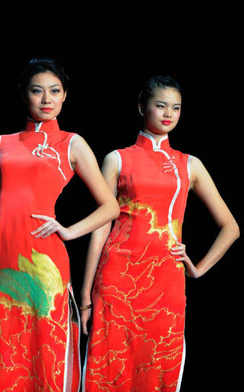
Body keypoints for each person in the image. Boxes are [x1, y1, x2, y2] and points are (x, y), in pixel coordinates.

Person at [0, 57, 119, 392]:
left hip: (46, 263)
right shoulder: (0, 143)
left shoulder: (72, 143)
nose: (46, 99)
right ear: (23, 94)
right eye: (37, 91)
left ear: (65, 95)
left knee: (48, 352)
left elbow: (110, 206)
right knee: (0, 353)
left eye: (54, 91)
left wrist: (69, 231)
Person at [80, 75, 239, 391]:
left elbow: (230, 227)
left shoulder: (189, 165)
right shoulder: (117, 158)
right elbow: (99, 228)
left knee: (157, 371)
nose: (168, 114)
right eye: (160, 105)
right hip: (116, 279)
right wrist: (85, 295)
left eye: (176, 108)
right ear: (142, 106)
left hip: (165, 282)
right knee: (108, 368)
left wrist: (196, 268)